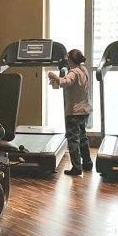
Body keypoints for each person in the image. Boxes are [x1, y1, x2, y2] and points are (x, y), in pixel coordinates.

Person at [48, 48, 93, 176]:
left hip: (74, 112)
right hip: (85, 110)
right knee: (83, 137)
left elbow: (66, 81)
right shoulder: (83, 70)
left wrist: (54, 76)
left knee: (73, 139)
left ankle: (76, 167)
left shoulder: (73, 72)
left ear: (71, 60)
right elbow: (70, 83)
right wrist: (60, 78)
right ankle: (87, 163)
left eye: (68, 58)